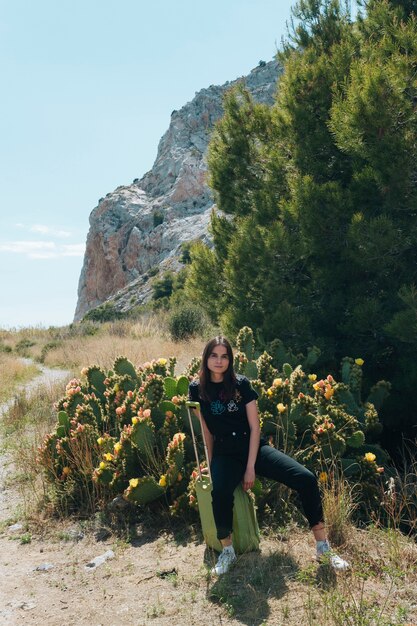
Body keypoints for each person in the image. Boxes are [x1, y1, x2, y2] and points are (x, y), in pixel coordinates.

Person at [188, 336, 350, 575]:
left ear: (230, 360)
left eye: (224, 356)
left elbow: (255, 427)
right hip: (225, 453)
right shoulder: (197, 388)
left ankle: (323, 547)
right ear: (206, 358)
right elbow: (206, 432)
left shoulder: (241, 384)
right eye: (214, 355)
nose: (219, 361)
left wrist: (251, 467)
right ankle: (227, 551)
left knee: (306, 478)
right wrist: (212, 466)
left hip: (253, 448)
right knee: (219, 491)